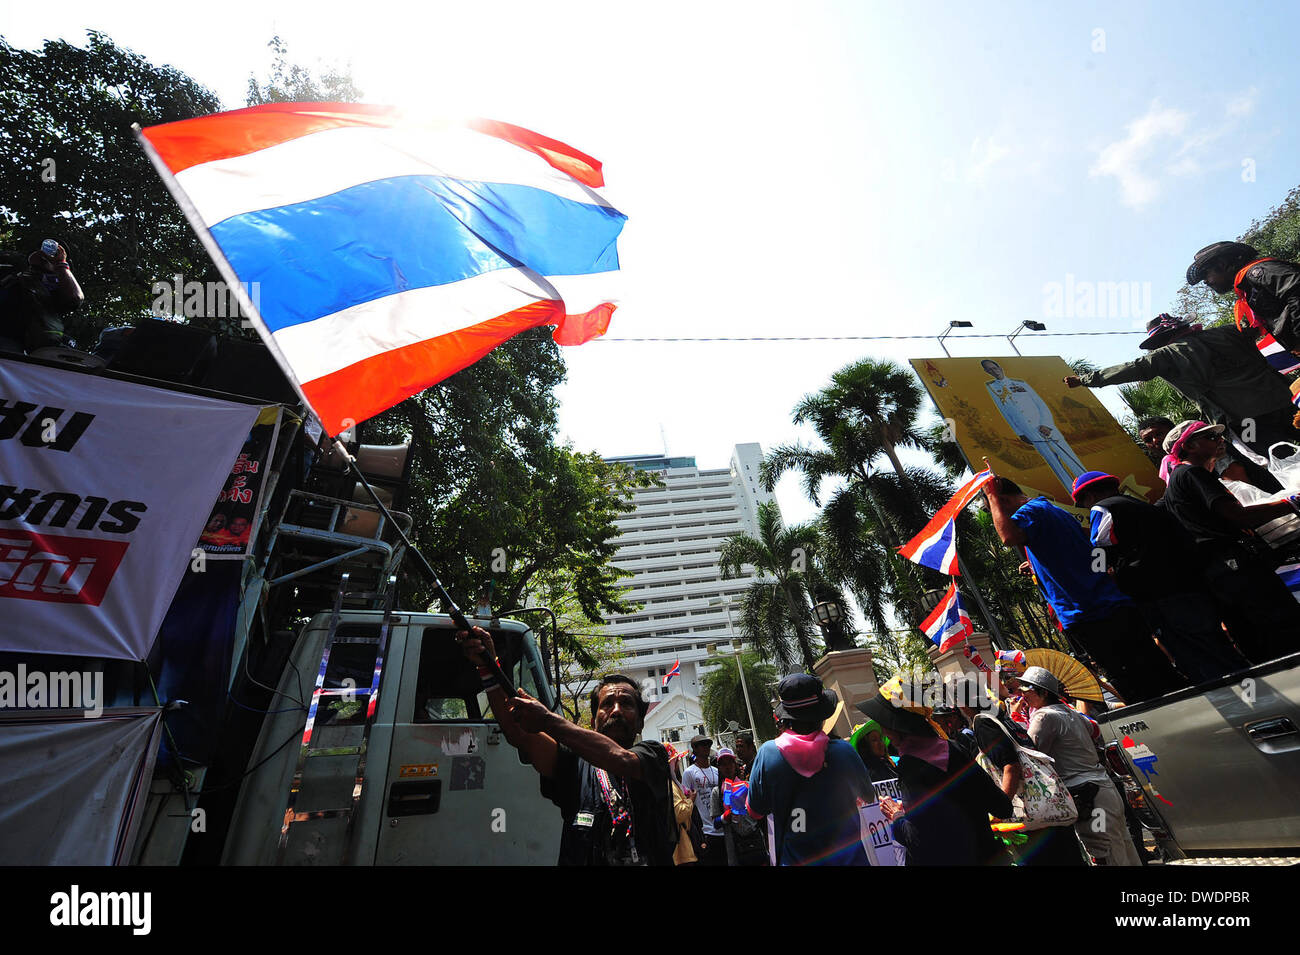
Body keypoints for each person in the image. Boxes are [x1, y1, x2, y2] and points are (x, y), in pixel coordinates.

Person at [458, 626, 674, 865]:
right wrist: (488, 666)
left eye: (626, 703)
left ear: (641, 723)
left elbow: (620, 759)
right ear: (592, 722)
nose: (616, 710)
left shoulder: (653, 755)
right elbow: (517, 732)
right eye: (607, 704)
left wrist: (547, 720)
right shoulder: (573, 763)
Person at [984, 476, 1189, 702]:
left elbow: (1008, 536)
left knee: (1135, 684)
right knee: (1154, 671)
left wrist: (991, 496)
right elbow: (1091, 550)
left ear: (1003, 501)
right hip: (1108, 604)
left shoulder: (1031, 511)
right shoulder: (1049, 510)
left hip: (1090, 612)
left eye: (992, 510)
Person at [1065, 314, 1296, 489]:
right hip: (1285, 401)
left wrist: (1086, 379)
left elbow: (1133, 369)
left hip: (1244, 419)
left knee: (1276, 460)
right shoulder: (1229, 332)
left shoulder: (1165, 355)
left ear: (1160, 340)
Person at [1072, 470, 1248, 683]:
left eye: (1084, 503)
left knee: (1199, 660)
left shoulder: (1102, 508)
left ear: (1089, 497)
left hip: (1161, 597)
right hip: (1188, 587)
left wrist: (1099, 572)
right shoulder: (1143, 508)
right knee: (1217, 648)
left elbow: (1099, 546)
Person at [1158, 421, 1300, 664]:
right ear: (1190, 446)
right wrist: (1290, 503)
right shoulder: (1192, 473)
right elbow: (1238, 516)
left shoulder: (1179, 480)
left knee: (1260, 634)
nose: (1219, 439)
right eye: (1211, 436)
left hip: (1219, 570)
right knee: (1279, 624)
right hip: (1233, 565)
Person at [859, 681, 1013, 866]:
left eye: (884, 724)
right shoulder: (955, 749)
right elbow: (1003, 807)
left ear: (896, 727)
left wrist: (897, 817)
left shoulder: (911, 768)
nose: (884, 732)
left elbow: (918, 841)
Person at [746, 673, 875, 865]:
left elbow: (755, 811)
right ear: (822, 716)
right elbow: (869, 796)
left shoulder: (767, 754)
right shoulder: (844, 752)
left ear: (786, 718)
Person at [1017, 667, 1140, 865]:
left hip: (1091, 800)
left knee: (1103, 849)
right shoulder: (1070, 712)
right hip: (1105, 791)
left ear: (1044, 692)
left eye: (1027, 687)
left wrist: (1016, 719)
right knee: (1123, 846)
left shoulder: (1044, 717)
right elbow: (1095, 730)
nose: (1022, 692)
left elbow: (1031, 755)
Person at [962, 676, 1087, 866]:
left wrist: (1001, 808)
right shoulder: (1001, 716)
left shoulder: (983, 722)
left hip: (1029, 818)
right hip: (1048, 810)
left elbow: (1010, 766)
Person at [983, 359, 1088, 494]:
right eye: (989, 370)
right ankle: (1074, 493)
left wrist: (1046, 424)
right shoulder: (991, 387)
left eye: (994, 367)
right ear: (987, 372)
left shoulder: (1020, 383)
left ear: (999, 367)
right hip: (1029, 431)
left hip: (1046, 427)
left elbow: (1040, 404)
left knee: (1068, 456)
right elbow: (1005, 412)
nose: (993, 371)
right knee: (1054, 464)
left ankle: (1092, 483)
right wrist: (1020, 432)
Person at [1187, 240, 1300, 352]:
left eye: (1205, 274)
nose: (1205, 281)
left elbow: (1296, 288)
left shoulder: (1257, 272)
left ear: (1222, 265)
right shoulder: (1248, 286)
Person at [0, 240, 83, 353]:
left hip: (42, 349)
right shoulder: (16, 277)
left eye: (55, 254)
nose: (48, 257)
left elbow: (75, 299)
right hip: (8, 340)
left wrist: (61, 265)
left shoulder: (58, 290)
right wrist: (34, 266)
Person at [709, 749, 768, 866]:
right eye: (723, 764)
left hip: (755, 841)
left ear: (735, 765)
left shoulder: (748, 785)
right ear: (719, 768)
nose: (727, 767)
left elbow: (761, 815)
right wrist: (724, 818)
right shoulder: (717, 792)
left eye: (730, 763)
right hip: (734, 847)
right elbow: (715, 824)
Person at [682, 734, 725, 865]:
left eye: (708, 744)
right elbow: (686, 801)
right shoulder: (689, 773)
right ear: (695, 749)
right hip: (705, 831)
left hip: (723, 828)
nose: (706, 747)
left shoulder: (717, 771)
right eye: (702, 745)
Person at [849, 718, 899, 783]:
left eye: (880, 739)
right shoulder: (868, 772)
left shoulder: (887, 763)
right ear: (865, 746)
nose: (880, 743)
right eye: (874, 740)